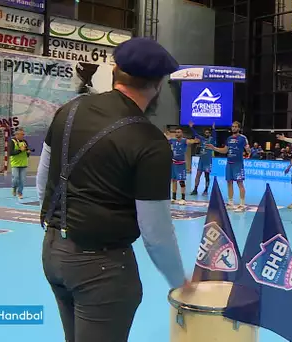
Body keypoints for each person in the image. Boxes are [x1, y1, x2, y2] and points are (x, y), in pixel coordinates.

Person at [36, 38, 194, 342]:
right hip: (102, 269)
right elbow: (155, 233)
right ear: (158, 85)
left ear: (115, 72)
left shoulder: (68, 110)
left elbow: (43, 182)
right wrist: (180, 283)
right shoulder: (149, 141)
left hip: (54, 252)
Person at [206, 121, 250, 211]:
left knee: (240, 183)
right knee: (229, 182)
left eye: (235, 126)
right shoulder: (229, 138)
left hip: (238, 164)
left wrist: (247, 150)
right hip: (229, 164)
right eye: (232, 126)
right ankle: (230, 203)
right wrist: (214, 148)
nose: (233, 128)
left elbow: (248, 150)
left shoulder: (242, 138)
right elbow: (225, 150)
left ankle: (242, 204)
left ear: (239, 128)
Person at [164, 128, 199, 205]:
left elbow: (191, 141)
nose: (177, 133)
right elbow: (166, 139)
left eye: (179, 132)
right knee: (173, 180)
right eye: (176, 132)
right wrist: (166, 135)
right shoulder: (173, 140)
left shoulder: (184, 140)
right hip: (173, 163)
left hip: (181, 164)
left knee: (181, 181)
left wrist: (195, 140)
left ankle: (183, 198)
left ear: (182, 133)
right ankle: (173, 197)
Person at [188, 120, 216, 195]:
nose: (206, 134)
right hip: (201, 160)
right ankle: (195, 189)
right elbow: (196, 134)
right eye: (205, 133)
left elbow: (214, 134)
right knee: (198, 175)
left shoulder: (212, 139)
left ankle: (206, 190)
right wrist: (191, 127)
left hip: (207, 161)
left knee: (206, 176)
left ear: (210, 133)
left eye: (208, 133)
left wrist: (213, 129)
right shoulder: (202, 139)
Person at [10, 128, 32, 199]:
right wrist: (20, 150)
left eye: (23, 134)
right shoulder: (12, 141)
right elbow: (11, 153)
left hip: (23, 164)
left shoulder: (25, 142)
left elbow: (27, 153)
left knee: (22, 180)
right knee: (15, 178)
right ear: (17, 134)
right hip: (15, 164)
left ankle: (20, 192)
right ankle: (14, 188)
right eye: (22, 134)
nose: (23, 135)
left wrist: (28, 153)